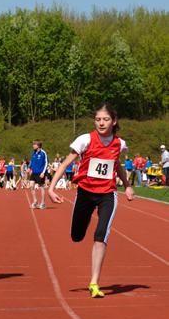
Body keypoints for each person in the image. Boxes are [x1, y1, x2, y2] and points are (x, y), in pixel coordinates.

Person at [48, 102, 134, 298]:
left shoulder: (119, 144)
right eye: (97, 119)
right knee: (76, 236)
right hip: (85, 192)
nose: (101, 123)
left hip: (107, 194)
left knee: (101, 234)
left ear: (114, 121)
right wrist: (51, 188)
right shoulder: (85, 140)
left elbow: (117, 165)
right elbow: (65, 163)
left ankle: (94, 282)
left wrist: (127, 185)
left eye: (105, 119)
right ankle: (82, 224)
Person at [29, 139, 48, 209]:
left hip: (40, 173)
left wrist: (43, 172)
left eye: (34, 144)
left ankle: (42, 203)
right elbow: (32, 161)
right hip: (34, 172)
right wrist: (29, 168)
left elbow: (46, 163)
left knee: (41, 187)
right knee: (31, 186)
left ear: (38, 145)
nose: (33, 145)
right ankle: (35, 201)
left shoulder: (43, 153)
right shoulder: (33, 152)